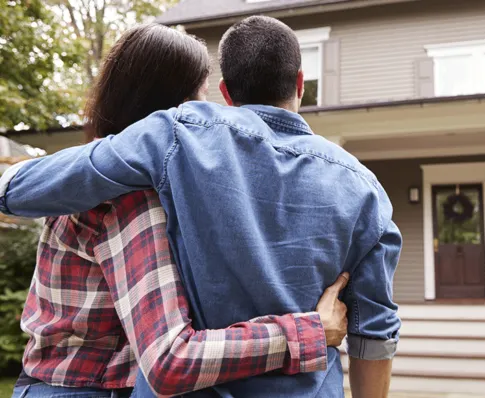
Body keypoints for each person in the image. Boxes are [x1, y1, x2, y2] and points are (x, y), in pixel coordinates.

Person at [0, 16, 402, 398]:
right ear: (301, 82)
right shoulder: (366, 189)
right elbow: (375, 331)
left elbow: (37, 186)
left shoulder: (177, 138)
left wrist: (10, 183)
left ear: (226, 93)